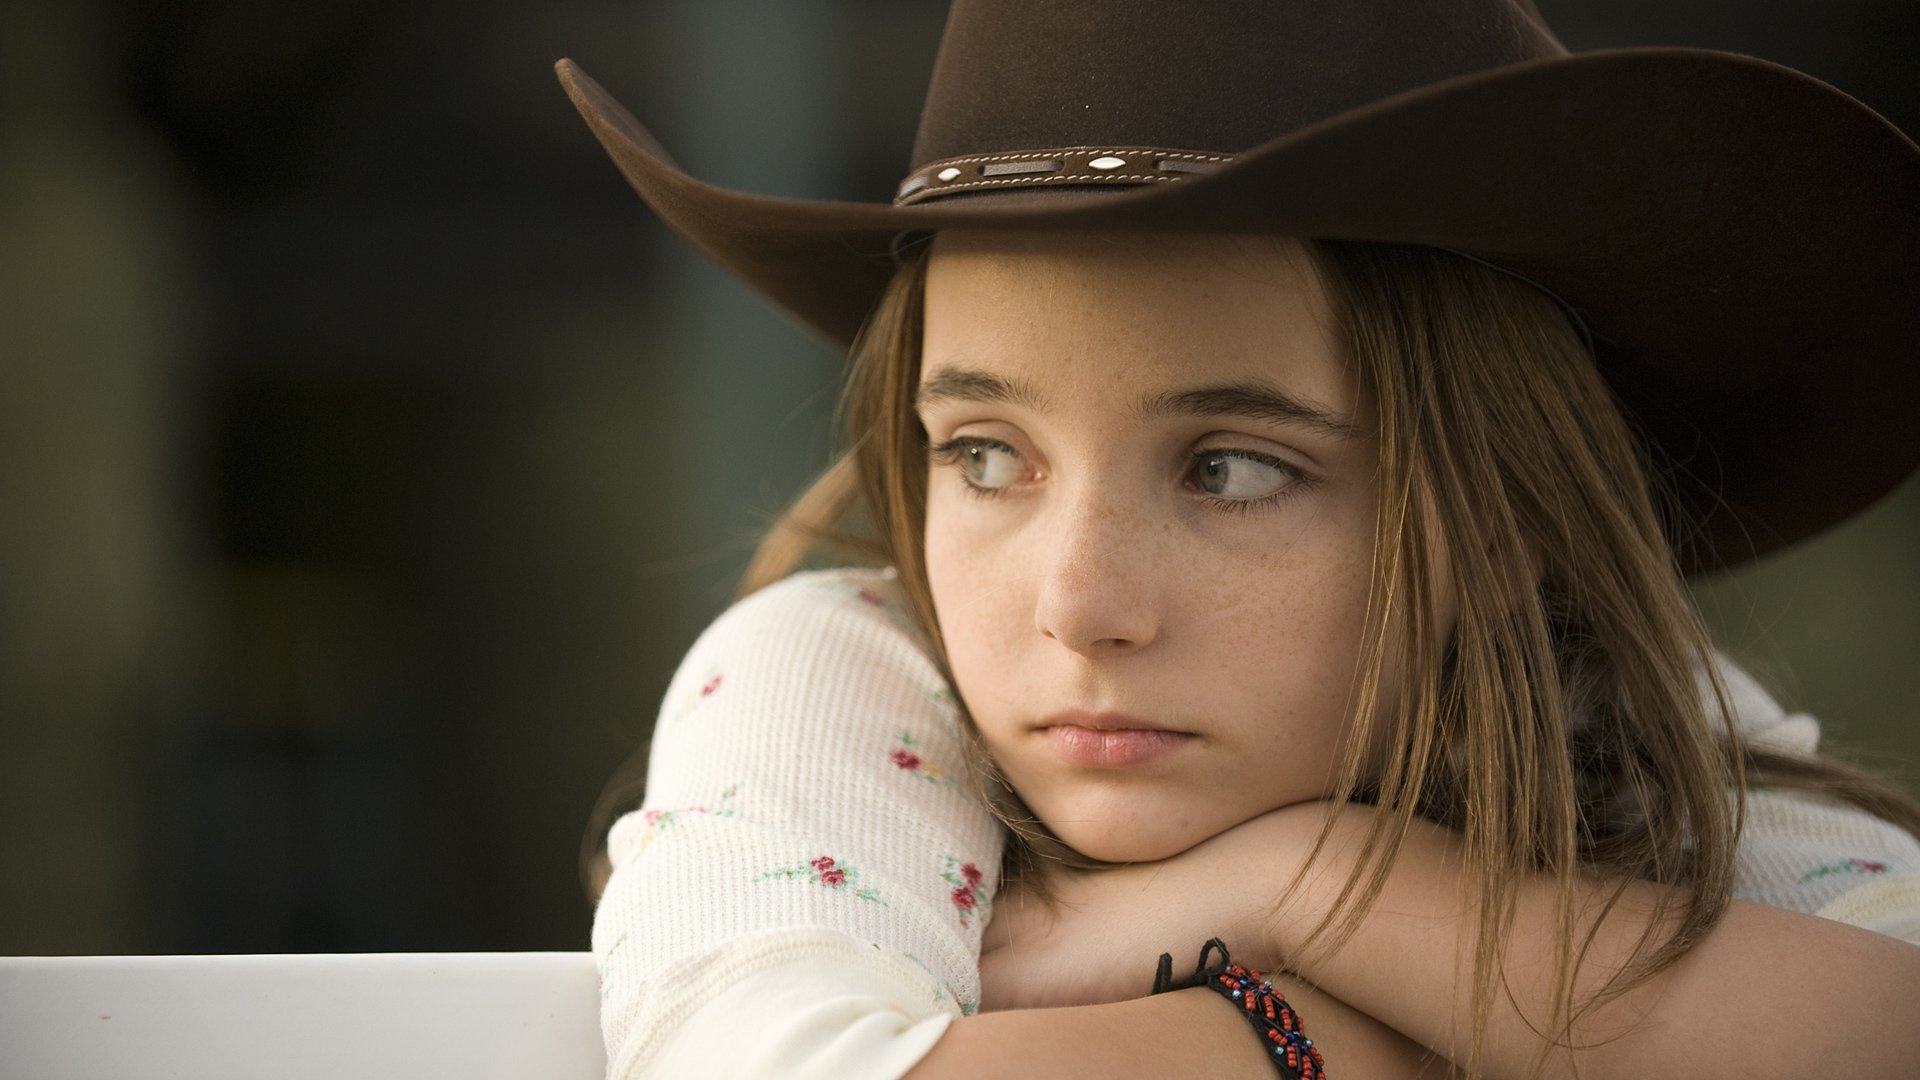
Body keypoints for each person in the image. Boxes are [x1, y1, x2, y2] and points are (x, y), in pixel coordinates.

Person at [558, 1, 1920, 1076]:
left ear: (1498, 530)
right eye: (985, 457)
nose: (1080, 603)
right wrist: (1344, 1036)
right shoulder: (841, 675)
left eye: (1229, 469)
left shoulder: (1576, 698)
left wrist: (1318, 887)